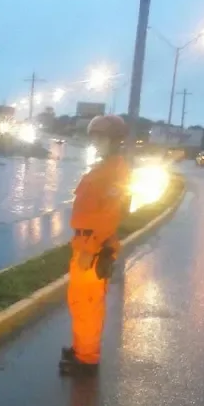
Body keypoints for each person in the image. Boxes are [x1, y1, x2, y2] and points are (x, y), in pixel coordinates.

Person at [60, 114, 132, 374]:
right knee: (79, 302)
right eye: (94, 138)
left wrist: (90, 249)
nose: (96, 143)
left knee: (88, 304)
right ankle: (81, 349)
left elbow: (110, 214)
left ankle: (87, 360)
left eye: (101, 138)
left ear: (115, 141)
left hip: (94, 246)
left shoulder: (115, 171)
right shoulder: (102, 168)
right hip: (84, 242)